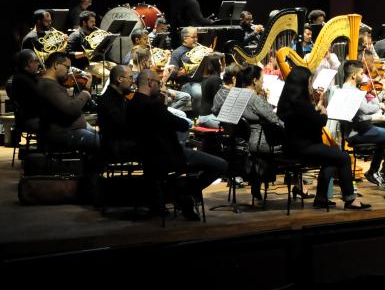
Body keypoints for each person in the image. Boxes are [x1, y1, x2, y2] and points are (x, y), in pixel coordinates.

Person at [127, 69, 228, 220]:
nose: (160, 86)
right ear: (150, 82)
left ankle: (179, 194)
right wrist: (166, 106)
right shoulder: (153, 105)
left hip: (149, 158)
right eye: (158, 83)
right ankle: (184, 193)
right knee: (221, 165)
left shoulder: (131, 104)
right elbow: (181, 124)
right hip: (170, 156)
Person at [276, 66, 371, 210]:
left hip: (292, 146)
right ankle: (350, 200)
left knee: (332, 158)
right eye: (308, 82)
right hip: (303, 148)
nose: (310, 85)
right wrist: (323, 112)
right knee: (344, 157)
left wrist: (315, 108)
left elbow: (305, 119)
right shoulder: (300, 103)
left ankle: (321, 198)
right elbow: (320, 122)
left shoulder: (288, 101)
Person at [329, 61, 385, 192]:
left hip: (363, 129)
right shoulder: (350, 92)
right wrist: (379, 106)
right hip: (359, 132)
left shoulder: (351, 89)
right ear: (354, 75)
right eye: (361, 73)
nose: (364, 76)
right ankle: (383, 172)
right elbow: (365, 111)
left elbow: (365, 106)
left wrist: (382, 92)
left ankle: (373, 171)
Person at [234, 65, 285, 200]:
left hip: (246, 141)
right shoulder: (255, 99)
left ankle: (257, 180)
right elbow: (274, 120)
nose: (263, 82)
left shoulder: (237, 94)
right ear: (255, 80)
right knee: (294, 144)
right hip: (262, 143)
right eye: (262, 79)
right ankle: (298, 184)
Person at [35, 51, 99, 155]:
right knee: (102, 143)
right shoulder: (48, 86)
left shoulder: (53, 84)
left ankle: (90, 169)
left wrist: (86, 88)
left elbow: (68, 105)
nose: (69, 71)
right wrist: (85, 93)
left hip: (71, 130)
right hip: (62, 134)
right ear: (56, 65)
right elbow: (71, 109)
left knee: (105, 141)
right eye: (67, 67)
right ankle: (89, 170)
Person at [96, 65, 137, 162]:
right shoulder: (108, 100)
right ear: (119, 79)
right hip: (117, 147)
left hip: (122, 143)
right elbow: (122, 126)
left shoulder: (119, 97)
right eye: (130, 77)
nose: (133, 81)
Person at [6, 49, 43, 134]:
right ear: (29, 63)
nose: (39, 64)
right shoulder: (23, 79)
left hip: (30, 118)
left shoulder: (22, 77)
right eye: (36, 61)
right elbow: (40, 98)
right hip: (30, 120)